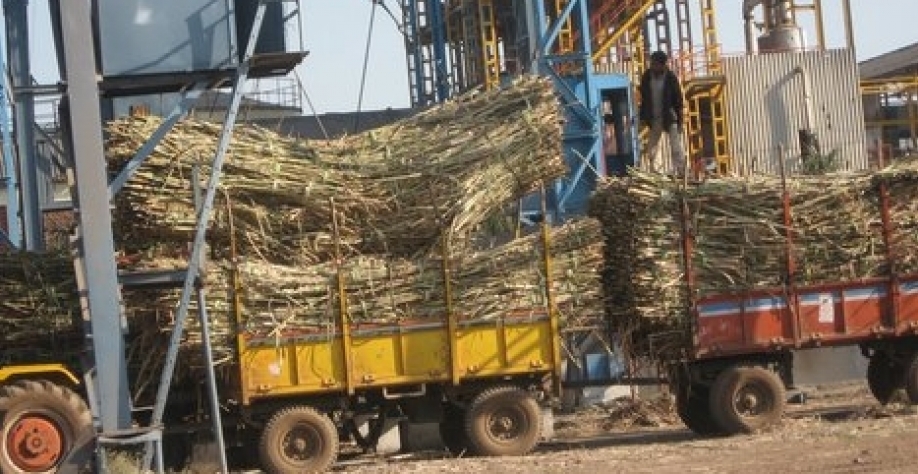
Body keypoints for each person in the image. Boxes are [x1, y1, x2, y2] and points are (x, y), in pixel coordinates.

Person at [639, 50, 686, 176]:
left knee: (676, 146)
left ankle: (681, 171)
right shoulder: (647, 77)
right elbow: (644, 99)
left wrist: (680, 121)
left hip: (670, 116)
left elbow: (678, 101)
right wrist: (643, 116)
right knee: (652, 148)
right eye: (651, 63)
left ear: (663, 65)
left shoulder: (671, 78)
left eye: (655, 64)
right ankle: (656, 172)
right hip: (654, 118)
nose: (652, 66)